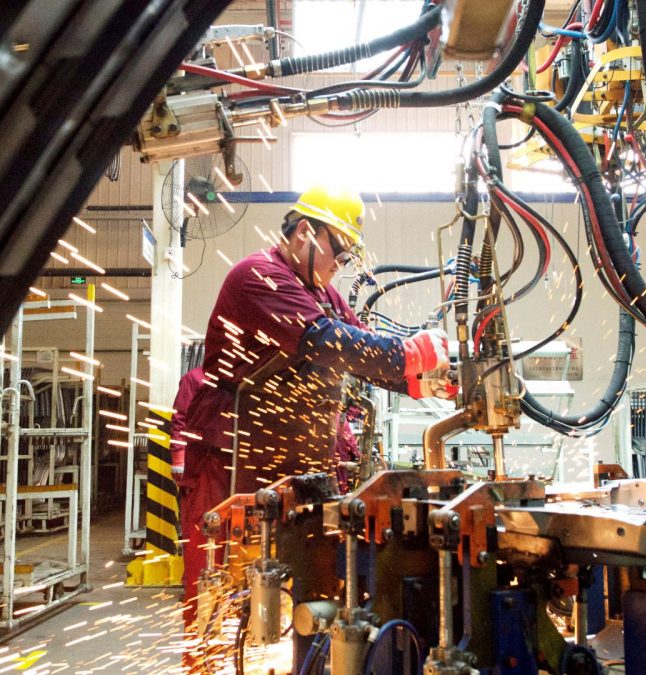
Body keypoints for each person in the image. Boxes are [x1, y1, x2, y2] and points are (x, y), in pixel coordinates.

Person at [178, 185, 451, 626]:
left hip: (293, 468)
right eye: (337, 253)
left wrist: (422, 381)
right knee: (220, 598)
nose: (338, 267)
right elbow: (324, 340)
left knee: (301, 592)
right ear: (305, 232)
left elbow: (360, 353)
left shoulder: (322, 292)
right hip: (230, 463)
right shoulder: (259, 276)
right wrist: (408, 355)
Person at [169, 366, 205, 480]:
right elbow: (180, 418)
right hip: (196, 457)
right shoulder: (194, 378)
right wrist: (178, 458)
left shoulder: (234, 378)